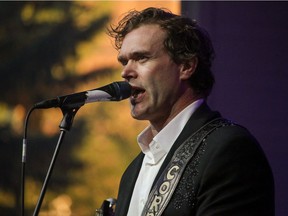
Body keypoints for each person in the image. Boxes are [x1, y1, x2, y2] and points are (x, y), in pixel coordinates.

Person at [107, 7, 274, 216]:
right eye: (124, 61)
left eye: (142, 58)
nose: (126, 72)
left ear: (186, 66)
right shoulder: (133, 172)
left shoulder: (228, 148)